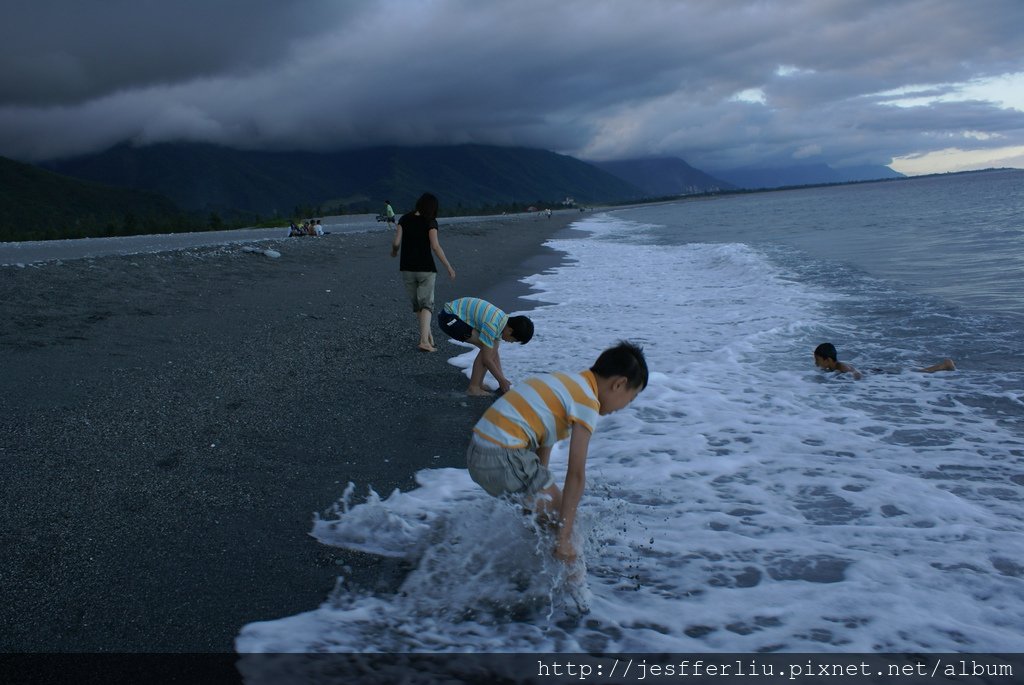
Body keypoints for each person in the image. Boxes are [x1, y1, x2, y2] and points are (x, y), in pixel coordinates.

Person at [467, 340, 648, 567]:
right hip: (501, 455)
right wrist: (563, 537)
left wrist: (539, 499)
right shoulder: (587, 401)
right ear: (619, 384)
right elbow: (576, 475)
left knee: (547, 517)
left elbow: (543, 449)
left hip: (480, 452)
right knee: (565, 524)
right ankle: (577, 597)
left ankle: (533, 566)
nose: (624, 406)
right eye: (630, 399)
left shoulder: (565, 384)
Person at [391, 192, 456, 352]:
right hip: (426, 268)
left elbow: (396, 242)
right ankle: (424, 341)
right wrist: (448, 266)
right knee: (426, 304)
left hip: (407, 268)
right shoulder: (430, 222)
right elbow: (435, 246)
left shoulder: (404, 219)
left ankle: (428, 337)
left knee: (418, 306)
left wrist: (394, 251)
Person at [437, 296, 534, 395]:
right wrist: (500, 380)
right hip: (448, 319)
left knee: (492, 347)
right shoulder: (492, 325)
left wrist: (502, 379)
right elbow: (487, 359)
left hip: (454, 316)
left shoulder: (501, 320)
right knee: (487, 349)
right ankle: (473, 388)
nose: (511, 342)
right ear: (510, 330)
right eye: (514, 340)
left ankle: (479, 384)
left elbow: (494, 354)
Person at [813, 342, 956, 380]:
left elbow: (855, 374)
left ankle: (944, 365)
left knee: (918, 373)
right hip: (875, 374)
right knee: (911, 372)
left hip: (877, 376)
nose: (816, 363)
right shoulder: (833, 367)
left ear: (828, 360)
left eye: (818, 360)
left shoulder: (841, 367)